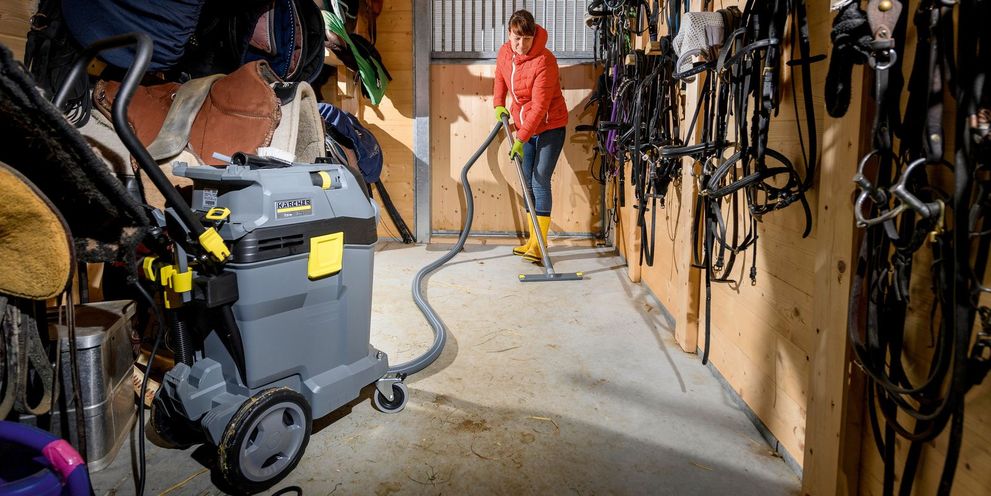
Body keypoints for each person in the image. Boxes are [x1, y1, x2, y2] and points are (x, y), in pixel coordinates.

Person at [493, 9, 569, 263]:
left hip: (550, 127)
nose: (521, 44)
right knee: (526, 182)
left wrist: (520, 138)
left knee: (539, 180)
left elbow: (539, 107)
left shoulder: (545, 60)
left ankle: (540, 245)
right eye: (517, 38)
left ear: (534, 36)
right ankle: (532, 240)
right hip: (524, 127)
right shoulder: (505, 53)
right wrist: (498, 104)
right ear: (509, 34)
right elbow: (500, 77)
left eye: (527, 39)